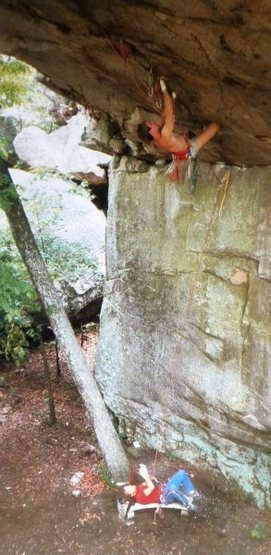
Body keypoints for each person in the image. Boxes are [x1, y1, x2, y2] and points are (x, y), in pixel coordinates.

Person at [145, 79, 220, 182]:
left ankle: (201, 129)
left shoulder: (155, 140)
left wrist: (171, 99)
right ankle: (204, 130)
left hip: (180, 152)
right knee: (215, 126)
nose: (152, 123)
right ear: (151, 132)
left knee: (167, 117)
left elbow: (165, 115)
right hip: (189, 149)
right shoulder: (164, 135)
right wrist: (164, 90)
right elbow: (169, 112)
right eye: (151, 126)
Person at [123, 464, 201, 511]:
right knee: (172, 489)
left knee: (181, 473)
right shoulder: (139, 497)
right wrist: (146, 477)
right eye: (129, 489)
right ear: (132, 495)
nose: (130, 486)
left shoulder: (138, 486)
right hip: (164, 497)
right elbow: (151, 487)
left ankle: (192, 492)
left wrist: (146, 472)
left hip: (164, 488)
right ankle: (188, 505)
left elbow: (148, 482)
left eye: (128, 486)